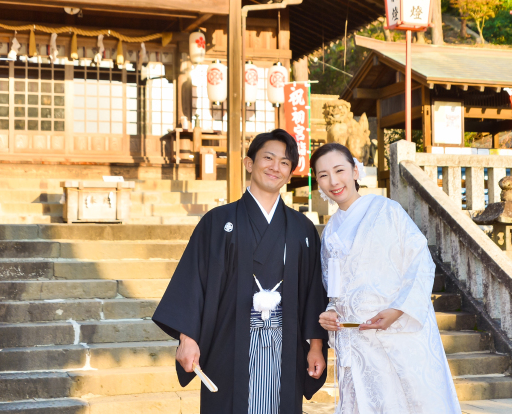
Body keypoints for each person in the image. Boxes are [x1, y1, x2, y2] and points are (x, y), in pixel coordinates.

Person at [153, 129, 328, 414]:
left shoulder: (302, 228)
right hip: (227, 343)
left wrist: (316, 346)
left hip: (285, 345)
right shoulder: (217, 222)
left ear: (289, 173)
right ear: (249, 163)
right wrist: (187, 339)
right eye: (268, 158)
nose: (276, 167)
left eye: (285, 162)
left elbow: (313, 293)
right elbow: (193, 282)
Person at [311, 142, 461, 414]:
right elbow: (333, 288)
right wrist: (331, 311)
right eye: (323, 175)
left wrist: (398, 309)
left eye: (339, 170)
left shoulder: (386, 210)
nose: (333, 181)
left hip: (396, 334)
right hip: (356, 342)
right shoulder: (330, 230)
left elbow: (420, 261)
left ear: (355, 171)